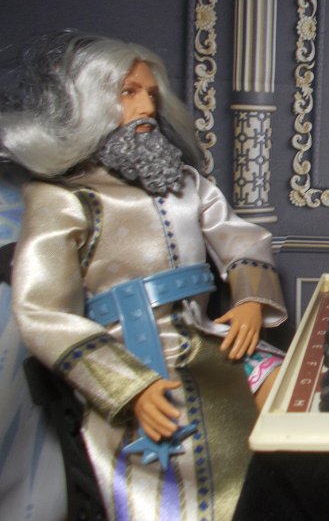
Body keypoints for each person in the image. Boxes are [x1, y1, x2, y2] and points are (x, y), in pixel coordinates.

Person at [0, 31, 287, 521]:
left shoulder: (186, 184)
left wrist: (250, 300)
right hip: (130, 358)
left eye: (151, 93)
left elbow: (242, 241)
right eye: (129, 92)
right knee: (169, 468)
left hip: (207, 342)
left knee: (289, 397)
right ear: (86, 102)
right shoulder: (63, 200)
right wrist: (125, 386)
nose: (147, 107)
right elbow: (43, 312)